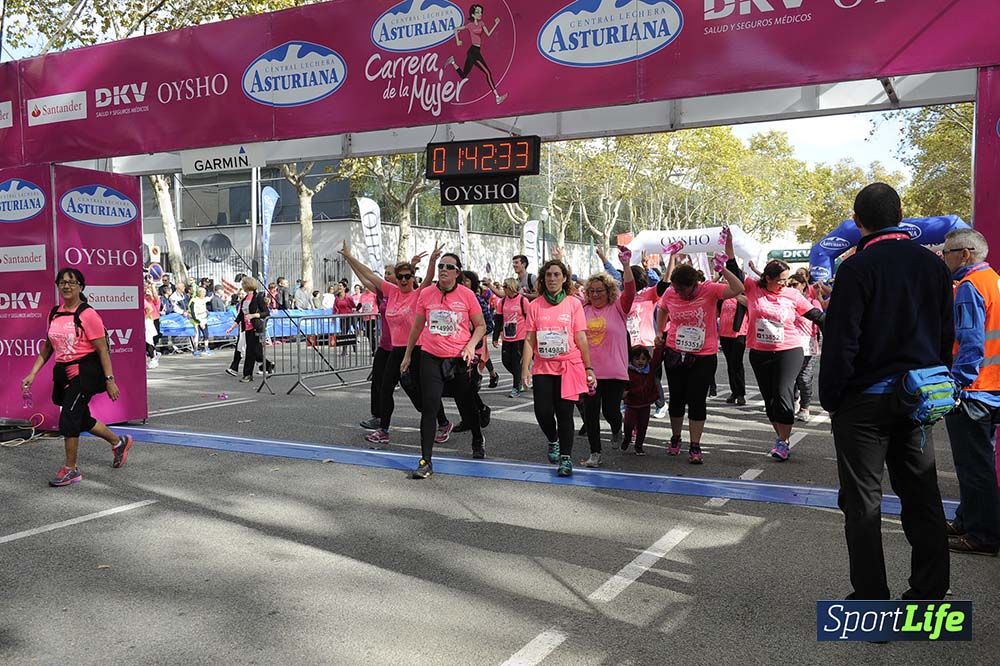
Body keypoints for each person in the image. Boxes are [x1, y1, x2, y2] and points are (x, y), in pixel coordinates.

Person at [820, 182, 953, 600]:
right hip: (919, 398)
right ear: (902, 216)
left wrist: (832, 399)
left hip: (865, 402)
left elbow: (842, 342)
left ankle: (871, 600)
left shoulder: (856, 268)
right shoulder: (934, 267)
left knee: (863, 502)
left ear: (858, 222)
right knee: (922, 497)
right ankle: (930, 595)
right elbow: (945, 334)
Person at [21, 268, 135, 487]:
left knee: (69, 419)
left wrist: (109, 380)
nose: (66, 286)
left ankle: (70, 470)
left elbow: (103, 350)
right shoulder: (55, 313)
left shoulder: (88, 314)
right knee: (81, 418)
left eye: (72, 282)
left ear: (81, 286)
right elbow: (48, 347)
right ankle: (118, 442)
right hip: (63, 371)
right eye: (62, 282)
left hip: (85, 372)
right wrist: (32, 373)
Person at [339, 242, 452, 446]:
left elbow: (427, 279)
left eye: (407, 276)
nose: (402, 280)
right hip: (396, 350)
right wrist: (349, 256)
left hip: (417, 350)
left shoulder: (419, 294)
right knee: (385, 388)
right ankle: (384, 430)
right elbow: (368, 274)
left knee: (423, 392)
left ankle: (443, 423)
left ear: (412, 278)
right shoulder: (391, 291)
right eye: (399, 277)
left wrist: (434, 260)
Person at [940, 228, 1000, 556]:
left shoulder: (969, 286)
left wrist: (956, 385)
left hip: (974, 391)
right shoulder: (994, 280)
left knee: (973, 466)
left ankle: (983, 535)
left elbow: (971, 343)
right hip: (992, 387)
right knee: (980, 462)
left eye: (948, 252)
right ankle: (967, 519)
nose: (944, 257)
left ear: (965, 254)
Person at [402, 253, 487, 479]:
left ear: (457, 272)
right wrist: (408, 354)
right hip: (431, 356)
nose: (443, 270)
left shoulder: (467, 295)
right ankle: (425, 461)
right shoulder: (427, 294)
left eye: (449, 267)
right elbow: (417, 326)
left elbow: (481, 326)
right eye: (441, 266)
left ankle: (477, 437)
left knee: (466, 403)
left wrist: (470, 346)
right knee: (430, 407)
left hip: (459, 359)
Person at [655, 260, 744, 463]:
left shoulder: (709, 290)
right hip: (675, 351)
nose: (679, 293)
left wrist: (723, 270)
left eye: (682, 290)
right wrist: (659, 331)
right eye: (676, 288)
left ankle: (695, 444)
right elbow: (662, 308)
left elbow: (738, 288)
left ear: (694, 284)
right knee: (677, 399)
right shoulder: (671, 292)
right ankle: (676, 438)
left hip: (703, 354)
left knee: (696, 400)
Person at [740, 259, 824, 461]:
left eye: (787, 280)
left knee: (782, 393)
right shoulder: (753, 288)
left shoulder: (793, 294)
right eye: (781, 280)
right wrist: (729, 253)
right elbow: (735, 270)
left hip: (789, 350)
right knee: (769, 399)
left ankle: (784, 441)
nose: (785, 284)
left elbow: (816, 315)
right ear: (767, 278)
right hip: (760, 353)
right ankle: (780, 437)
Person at [522, 258, 597, 477]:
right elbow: (529, 339)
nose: (552, 279)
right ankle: (553, 440)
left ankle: (566, 458)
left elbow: (581, 337)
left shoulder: (574, 304)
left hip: (569, 365)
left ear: (564, 278)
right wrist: (525, 369)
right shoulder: (535, 305)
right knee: (543, 412)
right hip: (543, 366)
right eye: (548, 275)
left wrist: (588, 367)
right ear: (543, 280)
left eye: (556, 275)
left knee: (564, 413)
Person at [580, 247, 636, 468]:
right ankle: (595, 453)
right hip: (590, 371)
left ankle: (616, 426)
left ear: (609, 291)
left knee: (611, 411)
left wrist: (625, 265)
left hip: (614, 371)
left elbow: (630, 290)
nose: (595, 294)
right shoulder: (582, 309)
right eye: (591, 291)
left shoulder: (619, 307)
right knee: (590, 414)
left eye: (599, 290)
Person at [445, 4, 508, 105]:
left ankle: (452, 61)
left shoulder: (482, 23)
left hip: (476, 51)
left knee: (463, 75)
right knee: (487, 73)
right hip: (473, 52)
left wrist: (496, 24)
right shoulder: (470, 25)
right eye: (477, 12)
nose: (480, 14)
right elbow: (456, 29)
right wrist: (458, 40)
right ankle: (497, 97)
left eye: (481, 12)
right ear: (473, 15)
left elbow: (488, 34)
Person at [788, 274, 823, 422]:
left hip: (809, 344)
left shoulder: (813, 302)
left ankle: (805, 408)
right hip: (790, 344)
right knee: (791, 377)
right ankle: (793, 402)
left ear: (803, 285)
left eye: (795, 284)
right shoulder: (787, 301)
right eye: (789, 285)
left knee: (804, 377)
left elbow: (821, 321)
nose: (791, 288)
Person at [622, 343, 665, 455]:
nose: (640, 361)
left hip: (645, 404)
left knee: (642, 427)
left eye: (643, 359)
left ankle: (639, 446)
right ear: (631, 359)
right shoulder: (628, 371)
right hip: (631, 404)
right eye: (637, 359)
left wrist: (659, 346)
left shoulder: (649, 370)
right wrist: (624, 393)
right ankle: (627, 438)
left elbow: (657, 359)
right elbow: (623, 385)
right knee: (628, 425)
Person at [492, 278, 528, 397]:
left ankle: (516, 387)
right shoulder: (501, 302)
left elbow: (529, 318)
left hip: (520, 336)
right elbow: (498, 320)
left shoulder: (523, 300)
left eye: (505, 287)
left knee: (517, 362)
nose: (503, 289)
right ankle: (521, 377)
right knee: (506, 361)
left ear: (511, 287)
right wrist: (495, 337)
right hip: (507, 337)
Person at [232, 276, 270, 383]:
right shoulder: (244, 299)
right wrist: (234, 325)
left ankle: (247, 375)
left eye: (243, 284)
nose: (242, 286)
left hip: (256, 328)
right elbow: (241, 314)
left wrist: (253, 315)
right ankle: (268, 365)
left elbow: (266, 312)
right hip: (246, 328)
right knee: (256, 351)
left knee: (250, 352)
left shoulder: (258, 297)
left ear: (248, 285)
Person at [719, 293, 749, 406]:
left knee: (737, 363)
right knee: (730, 364)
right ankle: (734, 392)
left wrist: (736, 293)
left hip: (739, 334)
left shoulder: (743, 297)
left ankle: (741, 393)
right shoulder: (724, 297)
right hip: (724, 333)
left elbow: (749, 304)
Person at [187, 286, 213, 357]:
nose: (205, 293)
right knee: (197, 335)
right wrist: (199, 321)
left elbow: (209, 298)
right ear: (199, 293)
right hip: (196, 320)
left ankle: (206, 348)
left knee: (206, 334)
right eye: (203, 292)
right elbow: (193, 312)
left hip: (204, 319)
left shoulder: (204, 299)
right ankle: (195, 349)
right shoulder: (194, 301)